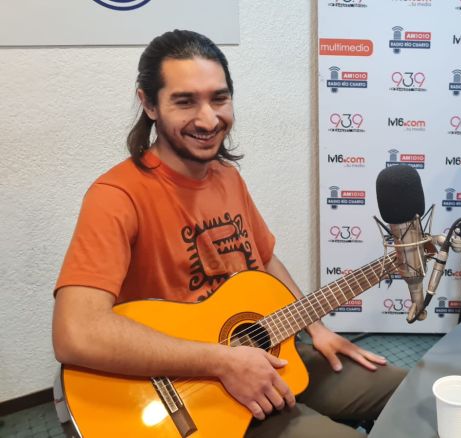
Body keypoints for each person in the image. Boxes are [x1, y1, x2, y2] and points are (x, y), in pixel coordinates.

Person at [52, 29, 405, 437]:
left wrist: (315, 327)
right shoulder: (116, 196)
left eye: (219, 98)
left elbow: (266, 259)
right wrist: (221, 362)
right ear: (148, 103)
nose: (208, 119)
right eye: (185, 101)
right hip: (195, 394)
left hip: (268, 352)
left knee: (410, 389)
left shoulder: (227, 177)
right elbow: (75, 334)